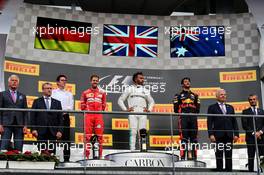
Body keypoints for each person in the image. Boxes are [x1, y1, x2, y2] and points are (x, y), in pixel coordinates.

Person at [118, 72, 155, 151]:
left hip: (142, 113)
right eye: (140, 78)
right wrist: (125, 109)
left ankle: (143, 149)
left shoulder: (146, 90)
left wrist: (149, 109)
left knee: (142, 133)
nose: (143, 79)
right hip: (132, 113)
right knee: (133, 132)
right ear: (135, 79)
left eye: (143, 78)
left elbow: (152, 101)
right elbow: (120, 100)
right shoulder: (129, 89)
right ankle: (132, 150)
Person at [207, 89, 239, 171]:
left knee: (229, 154)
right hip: (218, 135)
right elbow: (209, 122)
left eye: (224, 94)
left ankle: (229, 171)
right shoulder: (212, 107)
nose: (223, 96)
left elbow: (234, 121)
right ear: (217, 96)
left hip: (228, 135)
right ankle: (220, 171)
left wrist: (236, 134)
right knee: (219, 154)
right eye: (221, 94)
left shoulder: (230, 107)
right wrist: (211, 134)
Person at [31, 82, 63, 154]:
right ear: (43, 90)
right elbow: (32, 116)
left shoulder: (57, 103)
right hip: (40, 131)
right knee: (42, 152)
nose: (49, 90)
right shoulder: (37, 101)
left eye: (50, 88)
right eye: (47, 88)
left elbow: (60, 118)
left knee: (52, 152)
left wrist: (60, 131)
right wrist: (33, 129)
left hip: (53, 131)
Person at [173, 77, 200, 160]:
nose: (187, 82)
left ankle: (195, 157)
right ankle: (182, 158)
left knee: (194, 138)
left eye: (188, 81)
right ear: (182, 84)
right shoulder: (177, 95)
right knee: (183, 138)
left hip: (193, 118)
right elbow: (175, 110)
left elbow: (198, 109)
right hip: (183, 118)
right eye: (185, 81)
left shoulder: (195, 95)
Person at [80, 74, 106, 159]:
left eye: (96, 80)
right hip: (88, 116)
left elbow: (104, 105)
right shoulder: (85, 92)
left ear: (98, 81)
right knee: (87, 136)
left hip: (98, 116)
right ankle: (86, 156)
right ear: (91, 81)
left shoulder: (102, 93)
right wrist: (87, 110)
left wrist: (99, 111)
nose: (95, 82)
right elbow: (82, 105)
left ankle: (100, 155)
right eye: (93, 80)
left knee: (100, 137)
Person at [0, 74, 28, 152]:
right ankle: (2, 163)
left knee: (19, 147)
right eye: (12, 80)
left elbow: (25, 112)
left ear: (18, 83)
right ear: (8, 83)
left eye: (16, 81)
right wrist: (0, 124)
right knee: (4, 146)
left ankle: (17, 162)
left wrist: (25, 125)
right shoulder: (2, 94)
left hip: (19, 124)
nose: (14, 82)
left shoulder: (22, 96)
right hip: (6, 124)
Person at [52, 75, 74, 162]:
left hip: (65, 117)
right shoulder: (52, 92)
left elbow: (70, 108)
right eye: (62, 80)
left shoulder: (69, 94)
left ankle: (66, 159)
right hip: (54, 117)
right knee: (52, 138)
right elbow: (52, 106)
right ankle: (51, 157)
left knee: (66, 139)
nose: (64, 82)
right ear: (57, 82)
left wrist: (61, 110)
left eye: (65, 80)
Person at [242, 94, 264, 172]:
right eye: (251, 99)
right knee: (251, 156)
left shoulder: (262, 111)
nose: (252, 101)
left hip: (261, 138)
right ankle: (250, 172)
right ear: (249, 101)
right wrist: (254, 133)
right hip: (250, 138)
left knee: (262, 156)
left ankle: (263, 171)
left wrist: (260, 132)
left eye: (254, 99)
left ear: (257, 100)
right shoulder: (245, 112)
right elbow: (245, 126)